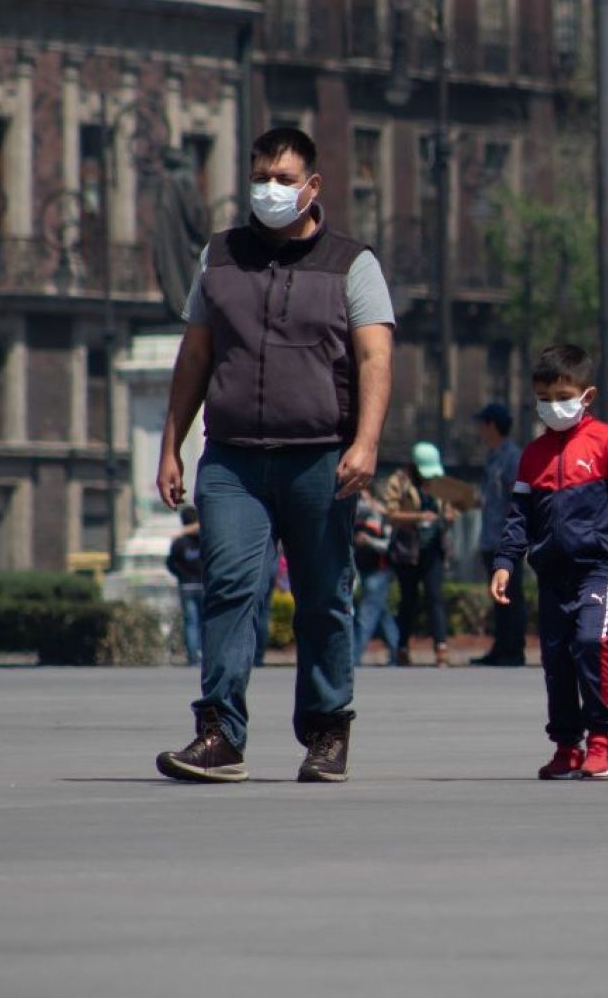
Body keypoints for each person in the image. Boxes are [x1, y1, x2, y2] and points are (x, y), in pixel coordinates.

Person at [155, 126, 394, 784]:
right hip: (233, 459)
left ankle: (326, 729)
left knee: (323, 597)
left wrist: (367, 443)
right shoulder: (220, 257)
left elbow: (375, 357)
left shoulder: (352, 263)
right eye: (261, 177)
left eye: (284, 179)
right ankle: (219, 734)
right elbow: (195, 356)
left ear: (312, 186)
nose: (270, 189)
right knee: (229, 589)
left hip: (320, 458)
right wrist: (172, 445)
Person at [489, 344, 608, 780]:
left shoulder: (607, 440)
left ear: (587, 396)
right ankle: (566, 745)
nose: (552, 407)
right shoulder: (532, 454)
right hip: (551, 575)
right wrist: (505, 561)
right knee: (556, 661)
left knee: (591, 643)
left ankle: (601, 738)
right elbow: (518, 517)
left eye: (562, 397)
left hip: (597, 569)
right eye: (543, 399)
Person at [383, 444, 455, 668]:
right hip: (407, 549)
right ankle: (402, 648)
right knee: (408, 599)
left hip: (433, 547)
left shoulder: (438, 481)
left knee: (435, 597)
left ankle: (441, 648)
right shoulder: (399, 481)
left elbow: (450, 508)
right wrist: (418, 517)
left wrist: (449, 516)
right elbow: (390, 514)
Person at [471, 403, 526, 666]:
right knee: (498, 597)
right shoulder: (493, 457)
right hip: (490, 537)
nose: (479, 430)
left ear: (491, 425)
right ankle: (501, 647)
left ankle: (513, 650)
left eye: (482, 424)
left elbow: (518, 498)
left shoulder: (512, 457)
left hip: (507, 539)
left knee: (510, 595)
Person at [350, 488, 399, 667]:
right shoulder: (356, 518)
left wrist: (369, 541)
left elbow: (389, 545)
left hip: (379, 572)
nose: (361, 502)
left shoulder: (382, 518)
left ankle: (353, 658)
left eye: (364, 497)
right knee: (383, 616)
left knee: (366, 615)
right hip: (362, 571)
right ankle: (397, 652)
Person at [165, 505, 204, 666]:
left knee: (191, 622)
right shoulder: (204, 539)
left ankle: (193, 656)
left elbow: (170, 563)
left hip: (186, 585)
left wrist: (181, 575)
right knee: (204, 621)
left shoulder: (179, 542)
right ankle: (205, 654)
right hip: (203, 584)